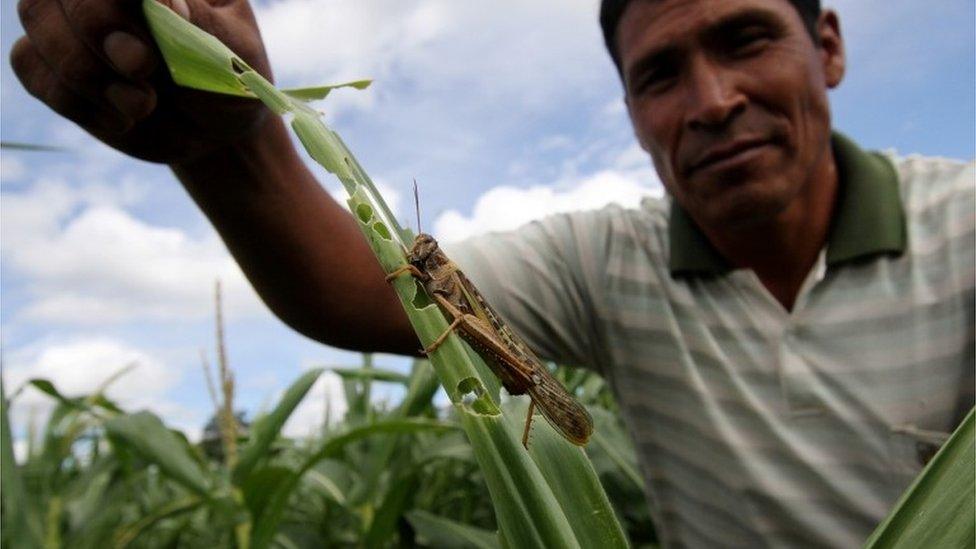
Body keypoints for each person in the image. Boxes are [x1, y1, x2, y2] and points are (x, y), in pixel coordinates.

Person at [11, 0, 973, 546]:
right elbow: (358, 284)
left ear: (832, 47)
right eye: (660, 73)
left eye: (746, 38)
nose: (713, 100)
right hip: (500, 353)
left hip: (523, 376)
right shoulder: (603, 258)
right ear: (631, 107)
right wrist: (229, 135)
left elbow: (463, 328)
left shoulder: (963, 223)